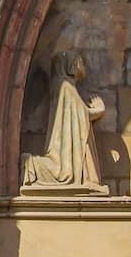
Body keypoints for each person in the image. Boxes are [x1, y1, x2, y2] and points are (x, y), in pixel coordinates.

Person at [21, 51, 107, 191]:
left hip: (63, 145)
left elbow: (76, 115)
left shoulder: (62, 85)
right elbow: (81, 115)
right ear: (71, 65)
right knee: (61, 171)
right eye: (80, 61)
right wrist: (99, 110)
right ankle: (32, 166)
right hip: (63, 152)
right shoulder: (66, 87)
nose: (82, 65)